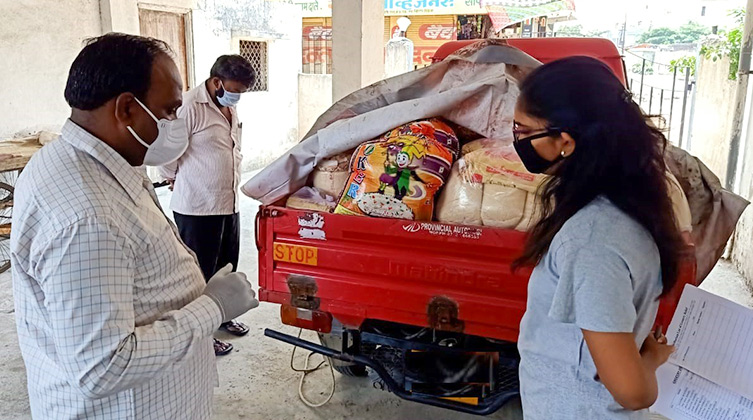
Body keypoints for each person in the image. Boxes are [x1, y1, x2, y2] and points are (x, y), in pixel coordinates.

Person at [11, 33, 258, 420]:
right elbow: (103, 366)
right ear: (127, 108)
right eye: (169, 110)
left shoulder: (97, 162)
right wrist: (213, 307)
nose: (175, 121)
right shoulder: (87, 218)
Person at [512, 57, 685, 419]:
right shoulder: (628, 199)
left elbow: (633, 392)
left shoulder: (593, 239)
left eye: (523, 131)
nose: (516, 141)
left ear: (566, 141)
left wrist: (650, 362)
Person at [159, 55, 254, 356]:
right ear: (216, 82)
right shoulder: (189, 107)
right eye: (234, 89)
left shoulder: (230, 107)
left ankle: (223, 316)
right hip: (198, 206)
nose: (237, 96)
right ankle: (202, 333)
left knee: (226, 263)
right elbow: (168, 152)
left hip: (227, 200)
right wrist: (173, 177)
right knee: (200, 272)